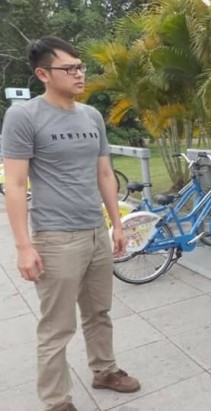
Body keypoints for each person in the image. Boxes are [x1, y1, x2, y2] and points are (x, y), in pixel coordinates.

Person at [1, 36, 140, 411]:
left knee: (99, 312)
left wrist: (117, 224)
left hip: (95, 232)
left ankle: (105, 370)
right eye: (70, 68)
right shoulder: (23, 116)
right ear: (43, 73)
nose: (80, 74)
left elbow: (105, 174)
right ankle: (56, 401)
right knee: (56, 328)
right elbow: (13, 183)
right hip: (55, 237)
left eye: (80, 66)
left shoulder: (91, 116)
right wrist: (23, 246)